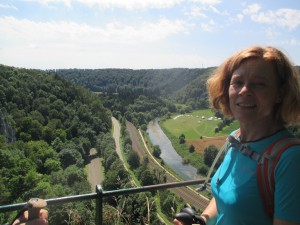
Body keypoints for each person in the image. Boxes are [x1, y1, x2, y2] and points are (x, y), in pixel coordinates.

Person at [174, 46, 300, 225]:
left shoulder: (291, 160)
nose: (244, 91)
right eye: (238, 82)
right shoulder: (235, 139)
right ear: (227, 89)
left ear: (280, 94)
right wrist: (202, 220)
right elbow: (224, 200)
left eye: (259, 84)